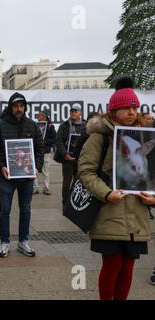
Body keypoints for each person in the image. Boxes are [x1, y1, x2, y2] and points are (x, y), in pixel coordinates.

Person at [77, 77, 155, 300]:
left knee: (128, 266)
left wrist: (152, 197)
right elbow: (85, 171)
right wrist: (106, 193)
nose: (131, 112)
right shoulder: (99, 137)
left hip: (136, 214)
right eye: (125, 108)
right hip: (108, 212)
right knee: (112, 265)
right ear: (113, 110)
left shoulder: (146, 135)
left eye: (134, 107)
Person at [0, 92, 45, 258]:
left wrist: (37, 167)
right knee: (4, 210)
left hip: (26, 177)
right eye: (16, 106)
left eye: (21, 106)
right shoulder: (0, 126)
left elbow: (40, 149)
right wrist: (1, 166)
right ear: (11, 107)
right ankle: (4, 242)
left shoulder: (32, 126)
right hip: (6, 177)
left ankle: (23, 241)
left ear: (25, 107)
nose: (19, 109)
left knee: (25, 209)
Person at [55, 105, 86, 207]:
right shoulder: (64, 126)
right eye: (71, 111)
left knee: (79, 184)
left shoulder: (85, 125)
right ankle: (65, 204)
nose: (73, 113)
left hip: (80, 160)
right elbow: (58, 142)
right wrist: (65, 154)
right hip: (67, 160)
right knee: (66, 184)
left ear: (80, 113)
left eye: (75, 111)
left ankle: (74, 204)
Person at [33, 111, 56, 195]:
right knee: (34, 169)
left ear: (45, 116)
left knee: (45, 171)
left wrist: (45, 141)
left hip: (46, 151)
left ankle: (46, 188)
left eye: (40, 115)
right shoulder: (35, 125)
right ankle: (35, 188)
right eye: (38, 116)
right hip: (36, 151)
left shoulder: (50, 126)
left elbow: (54, 139)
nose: (39, 117)